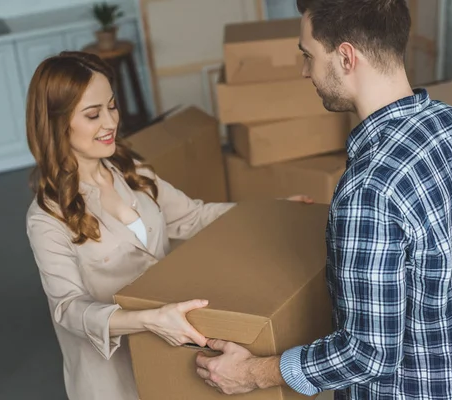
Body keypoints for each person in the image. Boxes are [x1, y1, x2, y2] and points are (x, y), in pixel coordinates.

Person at [195, 0, 452, 399]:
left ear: (345, 56)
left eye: (308, 55)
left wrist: (254, 372)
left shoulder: (369, 189)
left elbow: (367, 354)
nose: (305, 70)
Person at [25, 51, 311, 400]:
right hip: (110, 377)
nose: (110, 122)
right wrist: (148, 318)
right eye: (92, 114)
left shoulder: (134, 173)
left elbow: (192, 216)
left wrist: (271, 210)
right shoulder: (46, 217)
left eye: (112, 106)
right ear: (56, 123)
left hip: (164, 352)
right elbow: (68, 310)